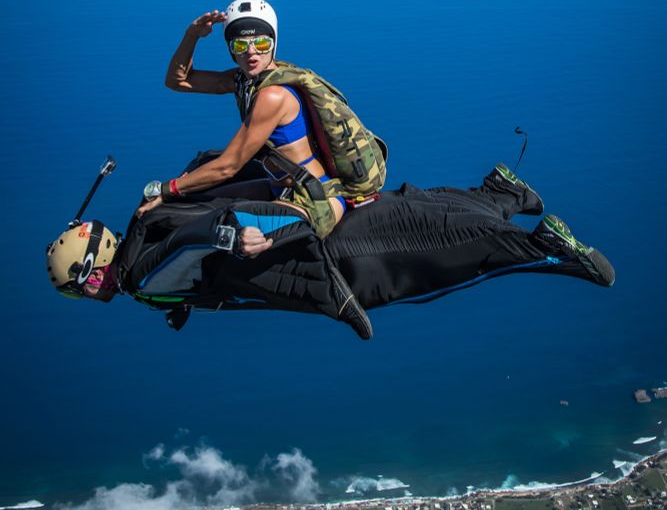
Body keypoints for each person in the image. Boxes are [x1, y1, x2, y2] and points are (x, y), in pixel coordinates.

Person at [45, 161, 614, 338]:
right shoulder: (151, 219)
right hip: (308, 213)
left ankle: (541, 247)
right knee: (406, 209)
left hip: (301, 254)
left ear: (93, 273)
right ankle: (505, 193)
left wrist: (234, 236)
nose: (91, 294)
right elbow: (202, 207)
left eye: (82, 286)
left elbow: (198, 239)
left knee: (417, 265)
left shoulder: (144, 277)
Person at [139, 0, 386, 243]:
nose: (251, 52)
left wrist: (165, 189)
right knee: (193, 205)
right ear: (230, 49)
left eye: (261, 43)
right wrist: (192, 34)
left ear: (273, 43)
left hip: (311, 200)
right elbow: (178, 81)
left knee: (222, 231)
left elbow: (228, 166)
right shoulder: (244, 81)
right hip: (280, 188)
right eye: (240, 45)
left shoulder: (272, 95)